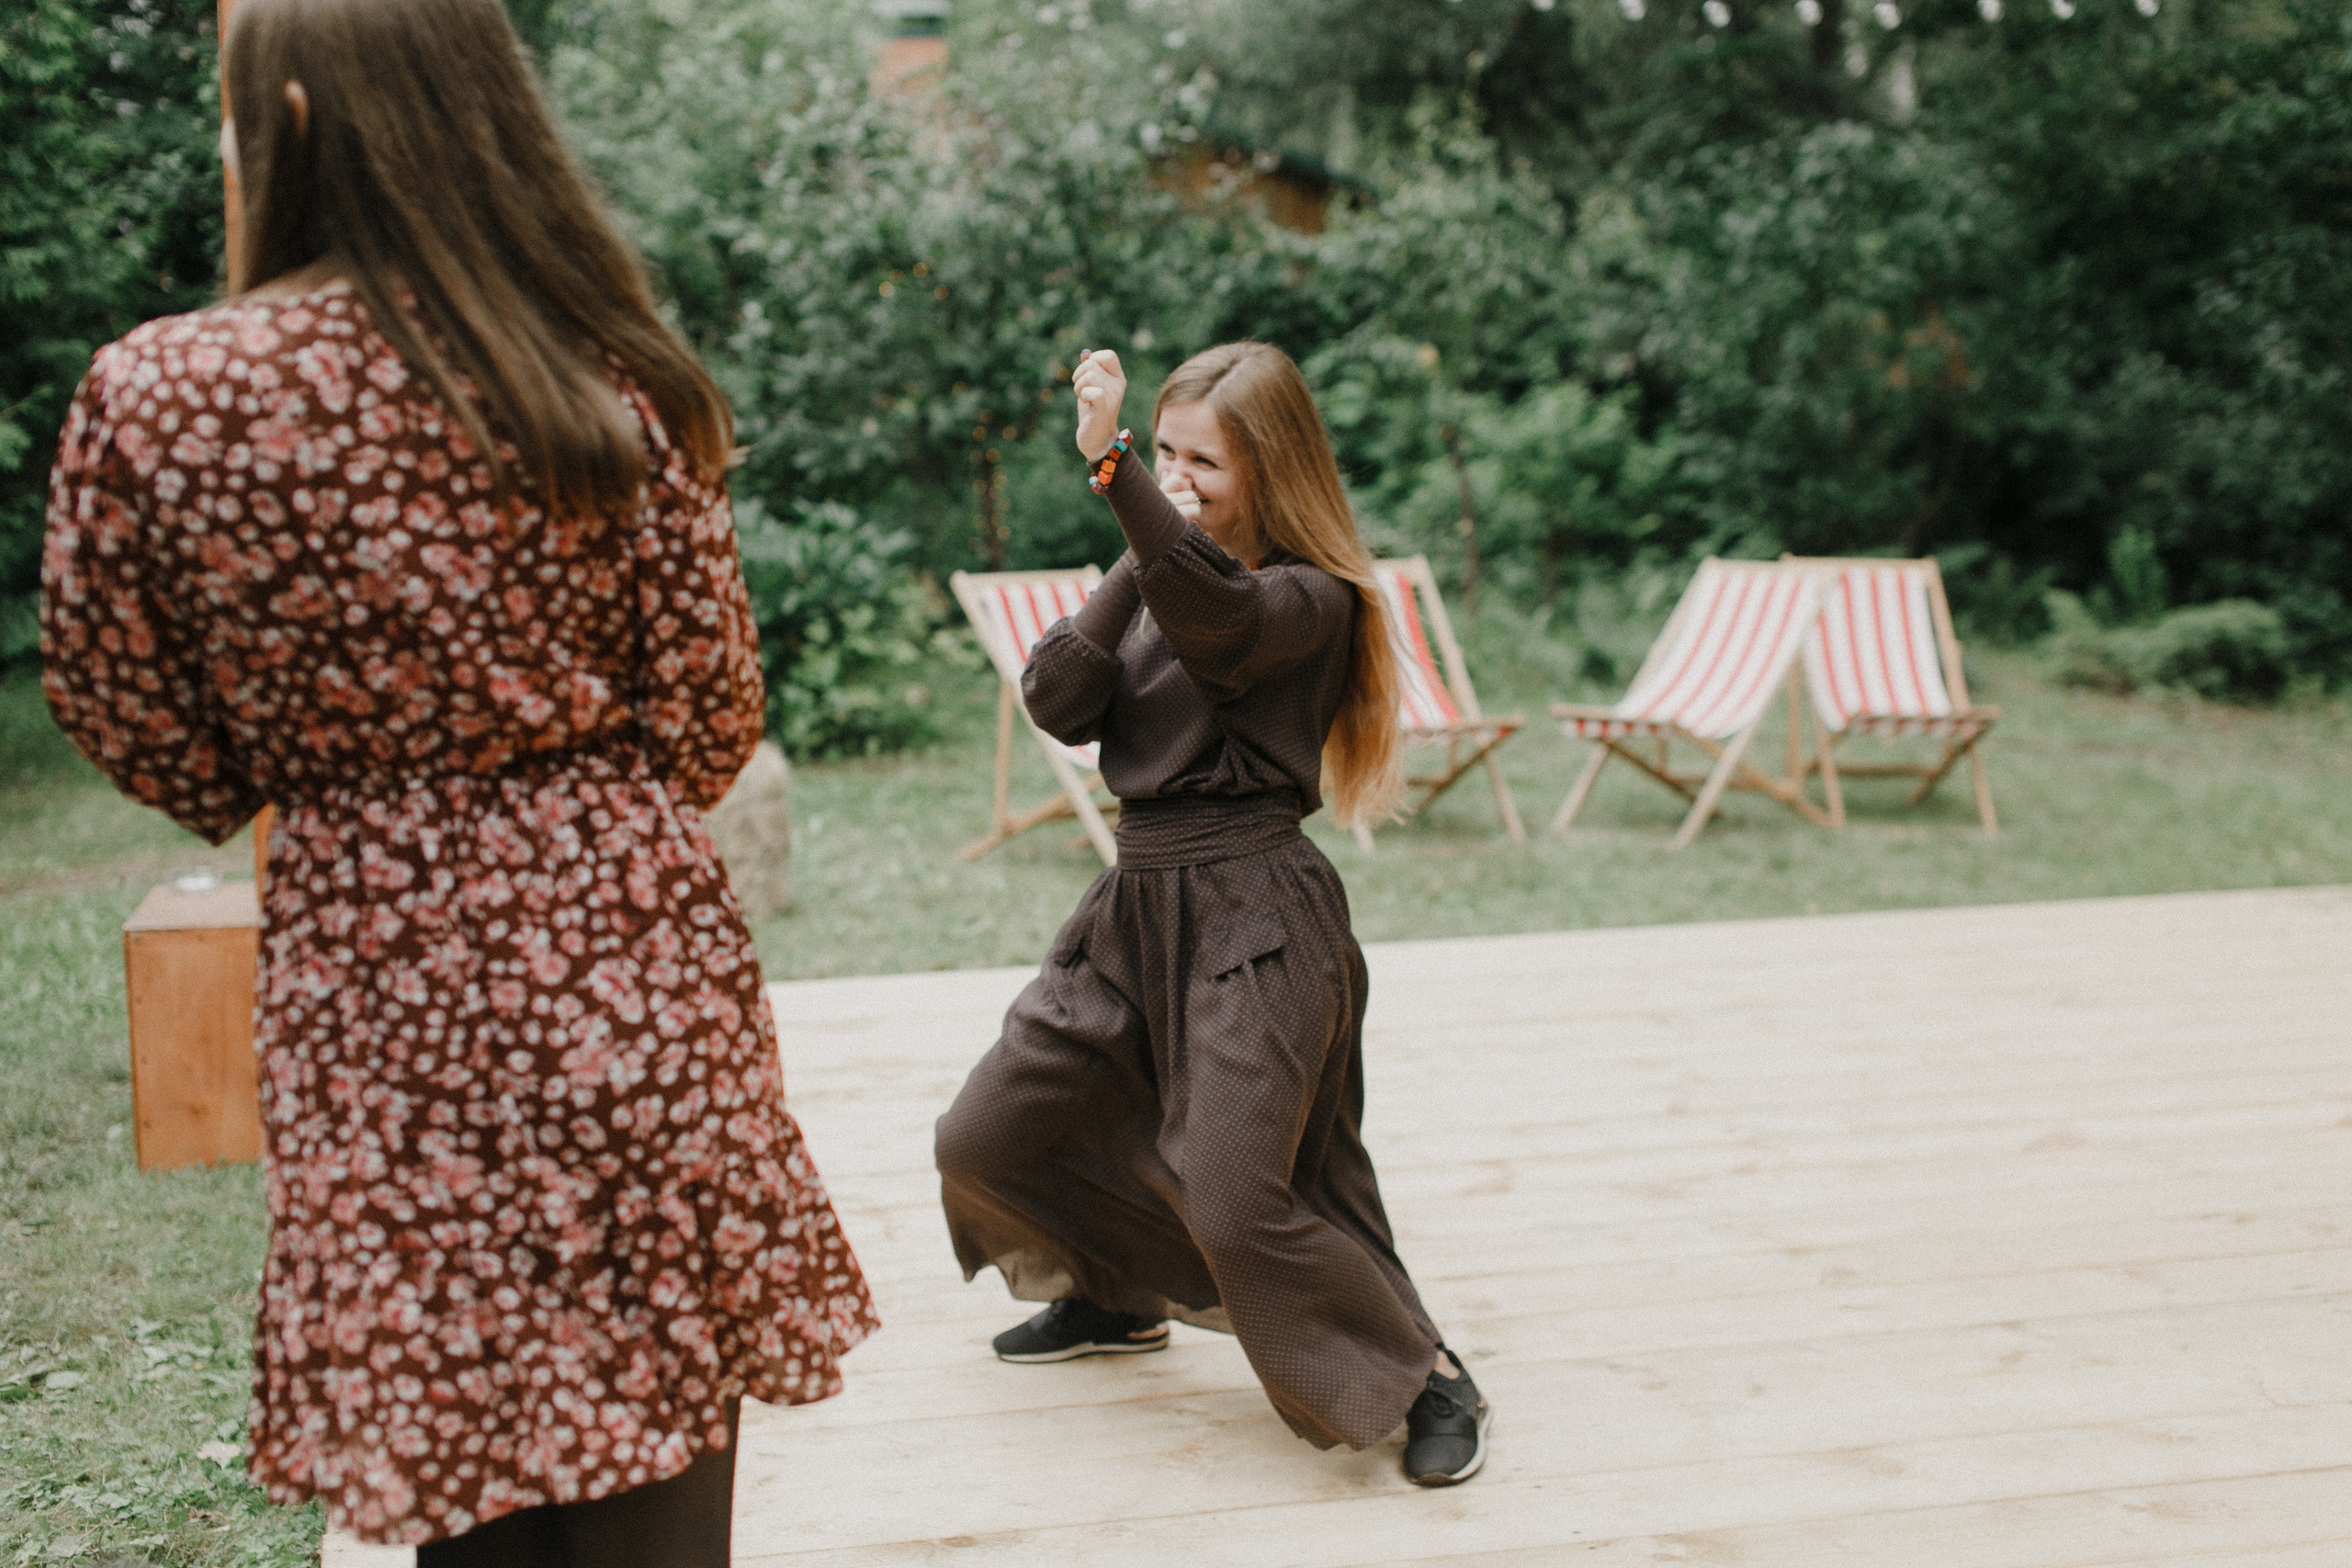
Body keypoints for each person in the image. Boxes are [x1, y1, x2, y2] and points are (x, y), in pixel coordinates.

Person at [40, 0, 876, 1558]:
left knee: (458, 1455)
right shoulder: (603, 373)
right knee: (656, 1454)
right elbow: (710, 719)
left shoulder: (158, 395)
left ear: (288, 115)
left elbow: (125, 708)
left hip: (378, 988)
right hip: (628, 974)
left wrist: (321, 776)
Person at [933, 342, 1492, 1486]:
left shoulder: (1307, 598)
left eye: (1204, 463)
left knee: (1239, 1202)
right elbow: (1056, 697)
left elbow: (1224, 623)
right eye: (1166, 454)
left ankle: (1426, 1373)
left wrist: (1118, 473)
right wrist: (1136, 549)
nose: (1177, 479)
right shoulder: (1163, 579)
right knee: (987, 1134)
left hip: (1256, 918)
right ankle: (1113, 1293)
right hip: (1133, 909)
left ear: (1271, 471)